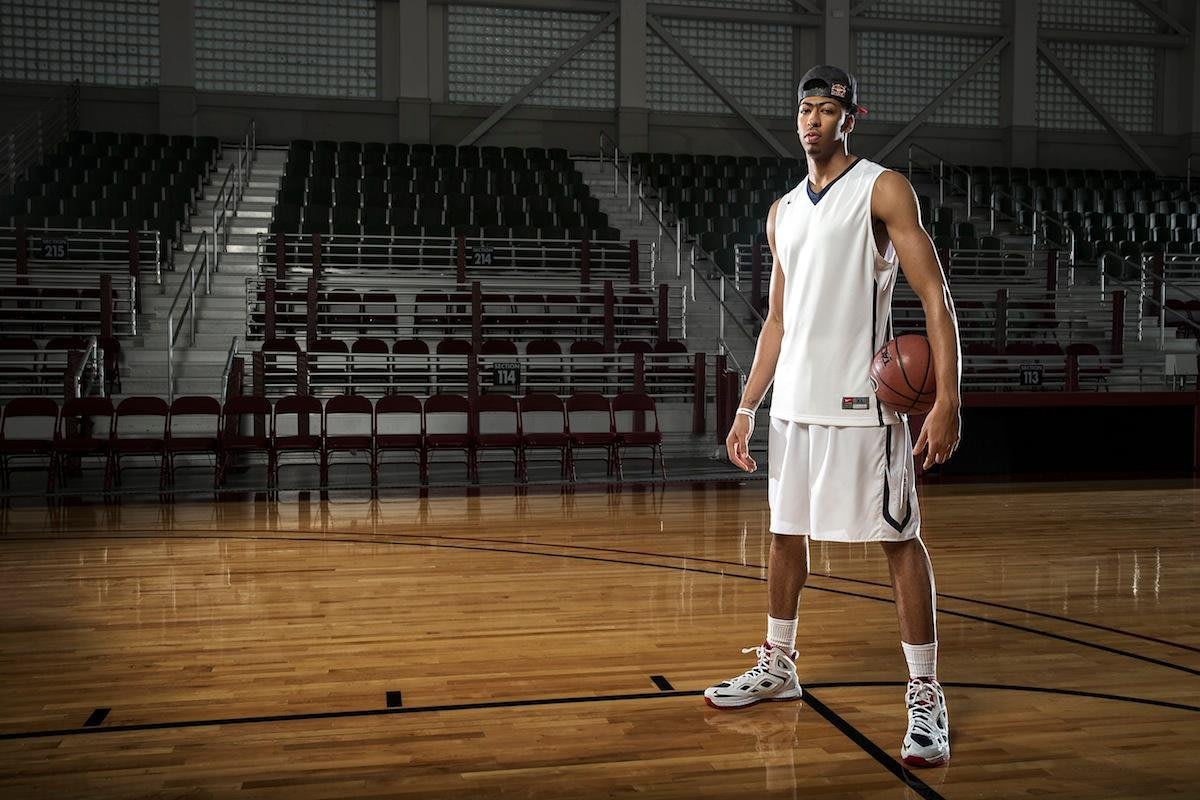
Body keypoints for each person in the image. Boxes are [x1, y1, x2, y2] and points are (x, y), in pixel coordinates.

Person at [702, 65, 961, 769]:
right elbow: (778, 321)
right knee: (785, 537)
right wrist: (748, 405)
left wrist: (947, 399)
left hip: (865, 410)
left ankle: (926, 691)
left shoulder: (882, 189)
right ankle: (780, 664)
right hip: (794, 409)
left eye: (827, 109)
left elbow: (935, 296)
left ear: (851, 118)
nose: (812, 119)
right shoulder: (783, 210)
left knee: (899, 542)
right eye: (805, 109)